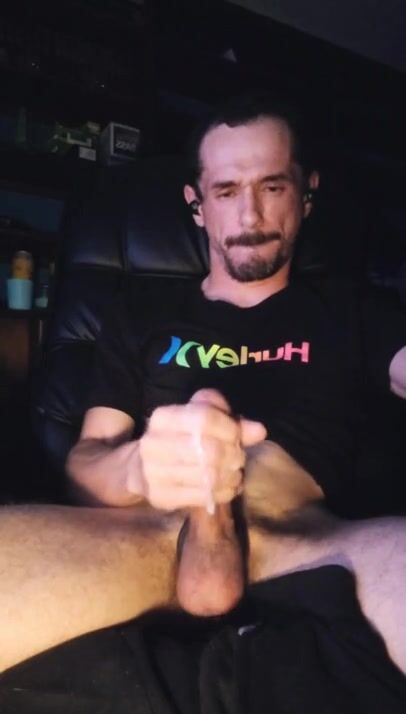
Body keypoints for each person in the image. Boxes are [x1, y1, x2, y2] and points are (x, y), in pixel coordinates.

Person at [1, 94, 406, 689]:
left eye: (272, 186)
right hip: (150, 538)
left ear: (306, 193)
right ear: (197, 205)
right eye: (226, 191)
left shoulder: (355, 309)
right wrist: (139, 468)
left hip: (308, 543)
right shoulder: (139, 315)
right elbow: (85, 464)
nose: (250, 215)